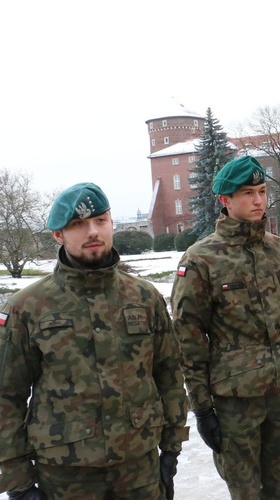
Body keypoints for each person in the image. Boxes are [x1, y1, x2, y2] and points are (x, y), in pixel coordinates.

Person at [0, 182, 188, 499]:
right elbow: (7, 396)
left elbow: (168, 372)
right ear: (57, 235)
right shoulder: (27, 307)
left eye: (100, 220)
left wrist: (171, 448)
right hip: (66, 479)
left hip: (138, 472)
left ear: (111, 223)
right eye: (78, 225)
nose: (92, 232)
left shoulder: (144, 297)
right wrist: (18, 482)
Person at [170, 156, 280, 499]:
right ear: (225, 201)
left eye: (263, 191)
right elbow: (189, 339)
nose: (258, 201)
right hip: (235, 402)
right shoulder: (200, 259)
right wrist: (203, 408)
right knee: (246, 492)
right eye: (248, 193)